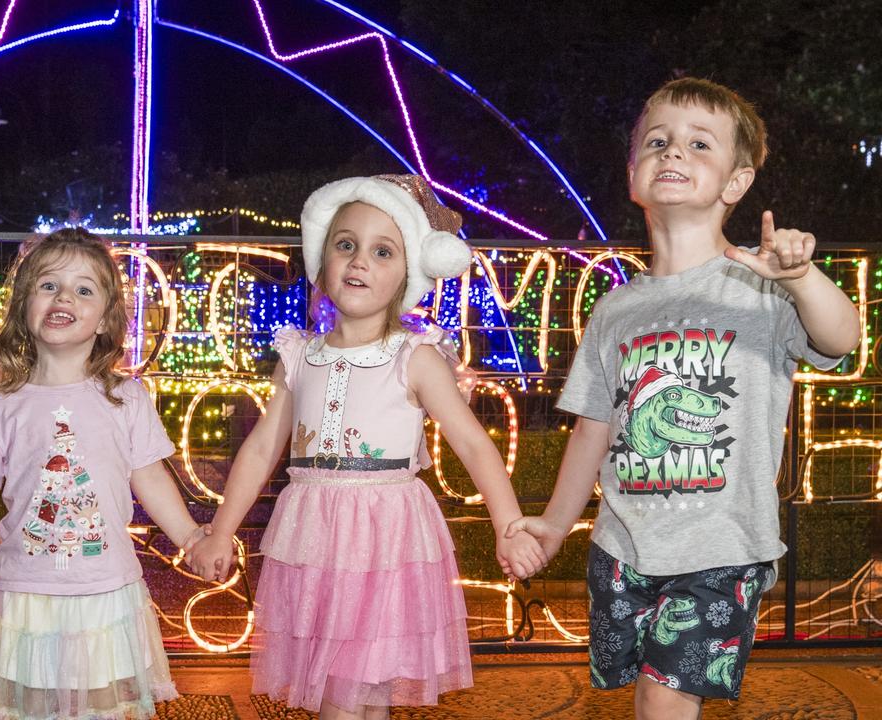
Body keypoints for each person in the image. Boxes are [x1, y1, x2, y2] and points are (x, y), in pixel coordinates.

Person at [507, 78, 861, 717]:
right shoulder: (614, 309)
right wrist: (556, 525)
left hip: (723, 547)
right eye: (658, 141)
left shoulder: (762, 287)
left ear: (735, 183)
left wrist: (803, 279)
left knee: (663, 697)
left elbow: (842, 337)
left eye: (700, 143)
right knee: (645, 695)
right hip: (623, 545)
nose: (674, 152)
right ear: (634, 175)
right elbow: (593, 426)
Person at [186, 175, 547, 719]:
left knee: (362, 692)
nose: (359, 262)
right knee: (345, 691)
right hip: (313, 539)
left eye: (383, 251)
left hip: (387, 540)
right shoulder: (298, 356)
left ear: (408, 273)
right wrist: (220, 532)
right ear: (322, 258)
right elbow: (261, 451)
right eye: (346, 244)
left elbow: (473, 444)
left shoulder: (416, 357)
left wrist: (509, 524)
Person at [0, 228, 211, 720]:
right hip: (25, 596)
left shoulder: (126, 398)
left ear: (105, 319)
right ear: (24, 306)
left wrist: (191, 537)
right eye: (48, 285)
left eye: (84, 289)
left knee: (103, 710)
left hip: (104, 591)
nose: (64, 296)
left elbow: (148, 476)